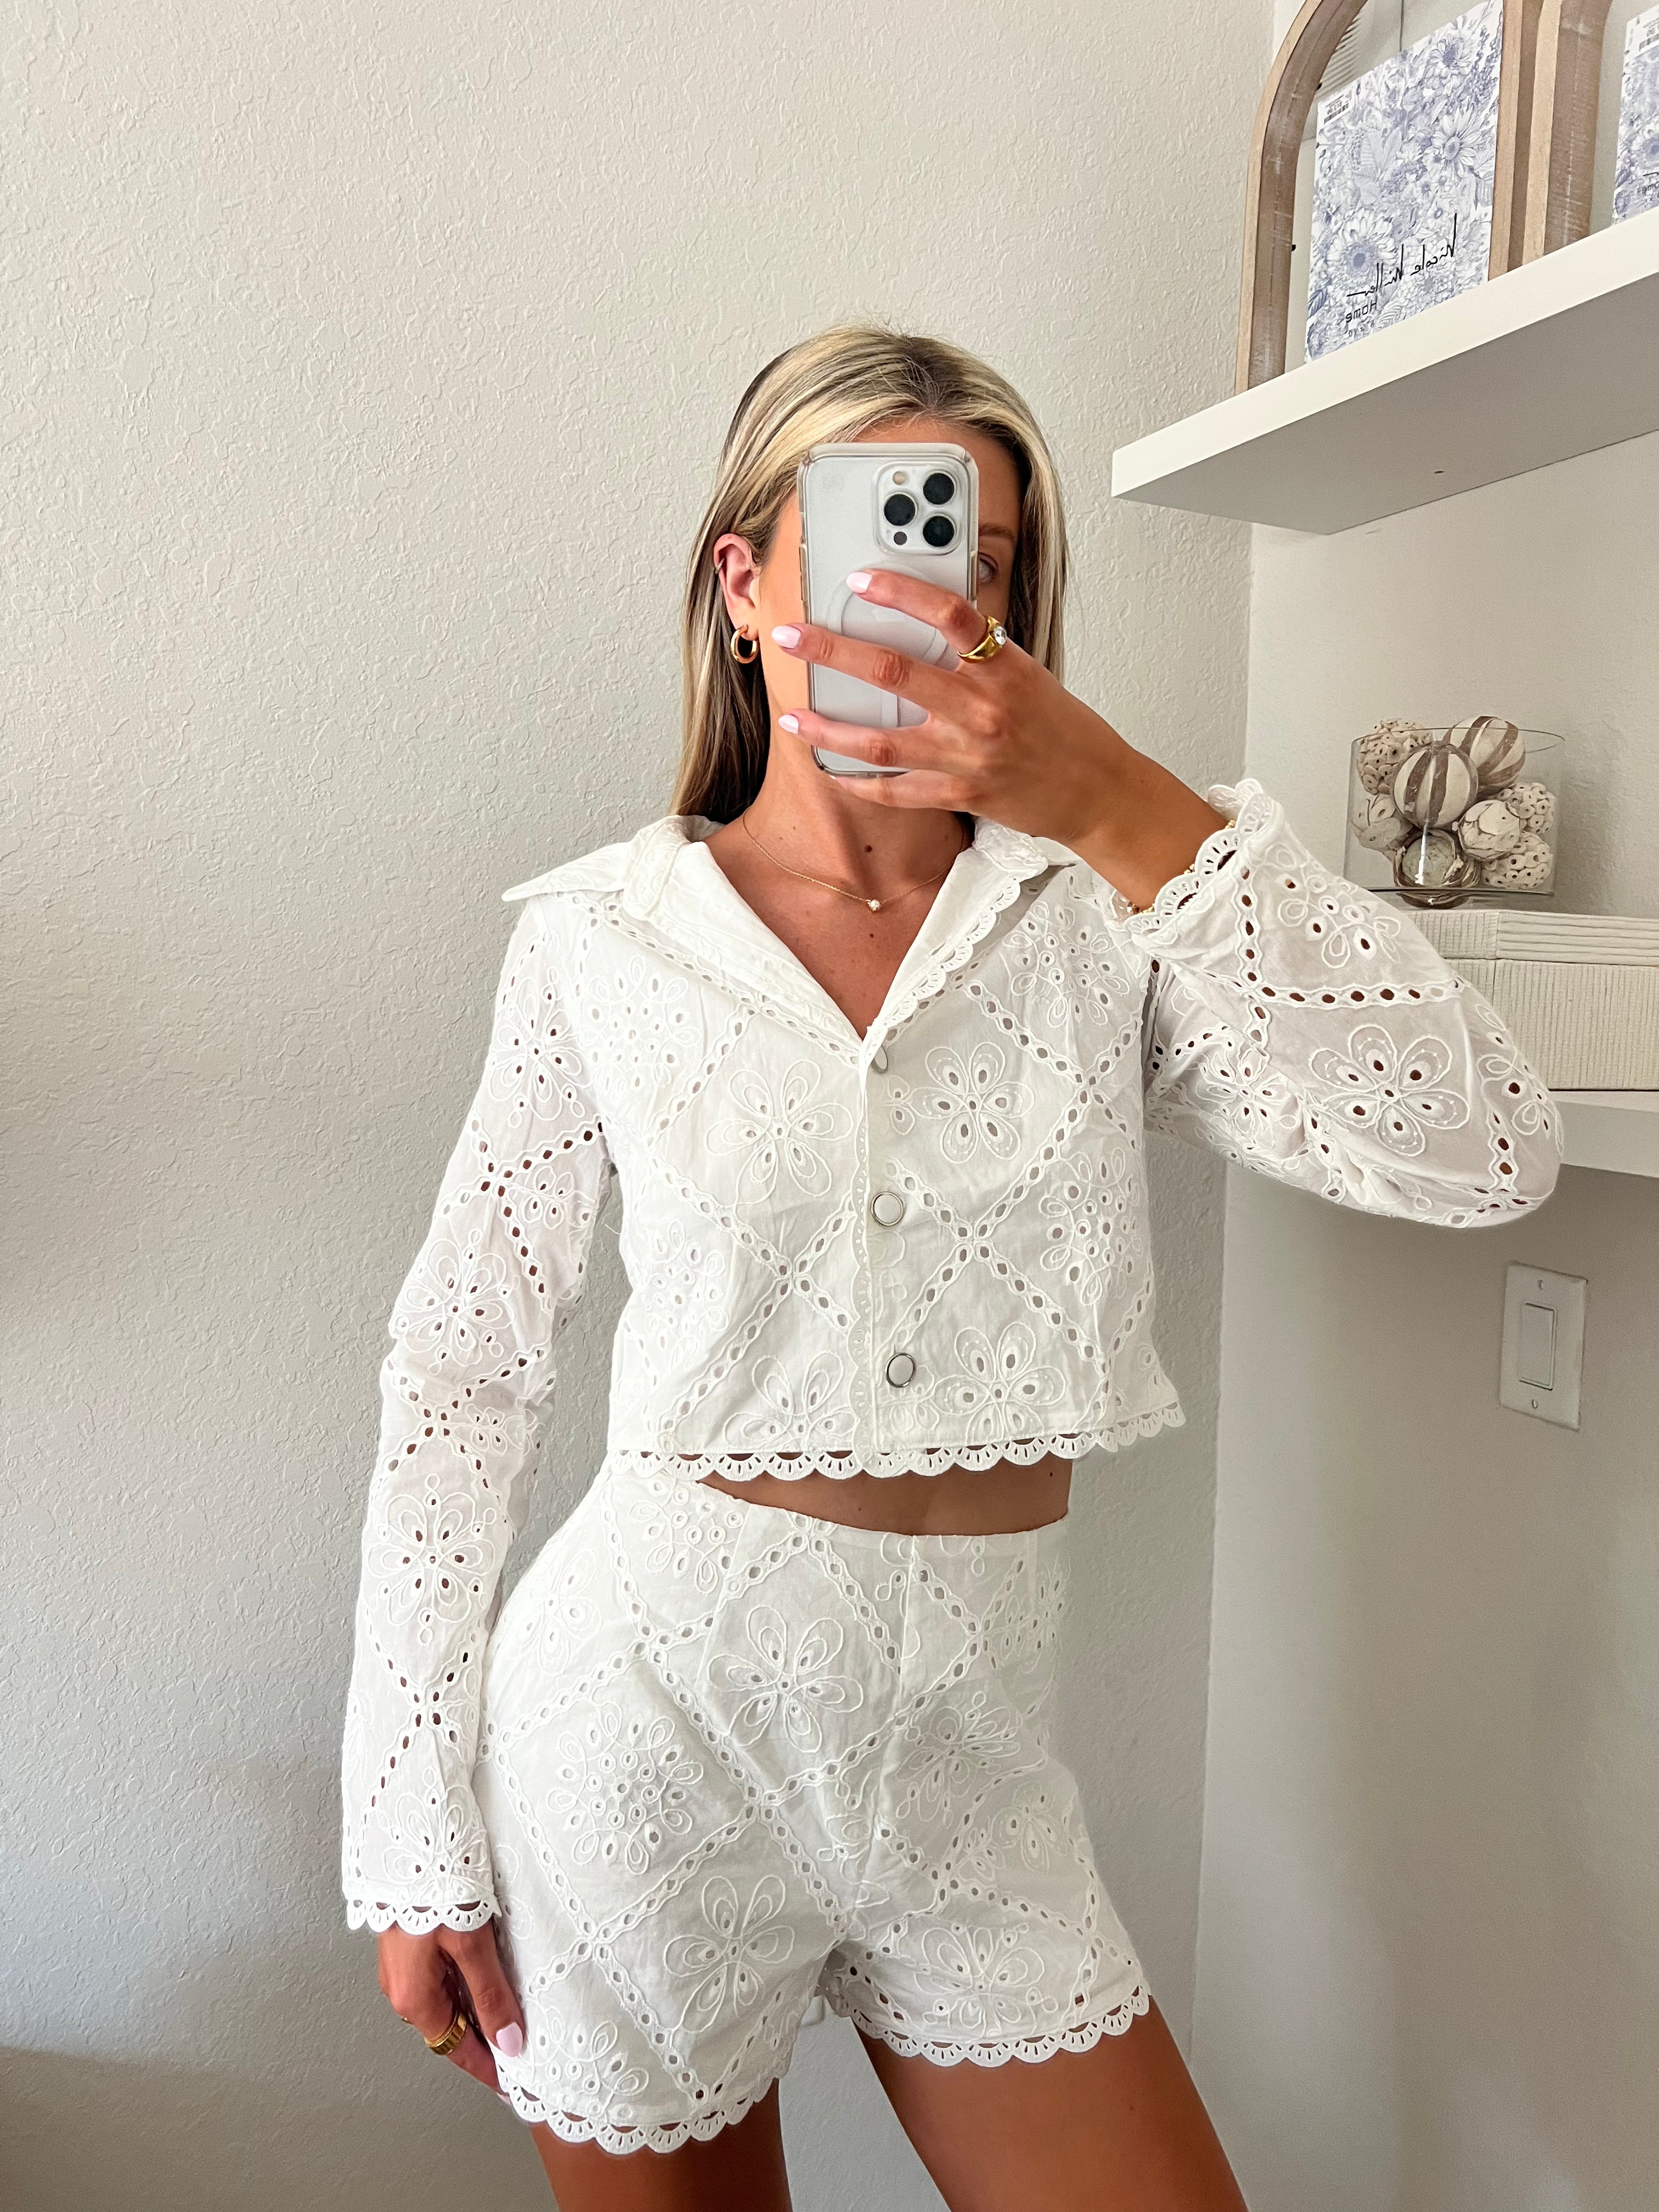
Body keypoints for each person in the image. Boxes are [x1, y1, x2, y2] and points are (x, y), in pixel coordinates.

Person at [340, 326, 1560, 2210]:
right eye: (879, 539)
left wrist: (1128, 808)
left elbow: (1484, 1153)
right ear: (748, 586)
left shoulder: (1108, 914)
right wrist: (412, 1825)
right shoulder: (602, 944)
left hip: (976, 1778)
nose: (934, 595)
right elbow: (463, 1372)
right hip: (644, 1740)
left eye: (980, 559)